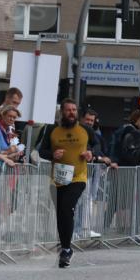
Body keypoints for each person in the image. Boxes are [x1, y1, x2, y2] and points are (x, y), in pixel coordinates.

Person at [38, 99, 94, 268]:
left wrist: (92, 153)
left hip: (78, 177)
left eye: (74, 110)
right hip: (58, 179)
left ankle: (66, 249)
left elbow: (99, 145)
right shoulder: (50, 130)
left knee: (67, 208)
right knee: (61, 214)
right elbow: (41, 151)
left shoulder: (85, 130)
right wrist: (52, 154)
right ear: (62, 112)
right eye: (68, 110)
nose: (71, 112)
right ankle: (65, 248)